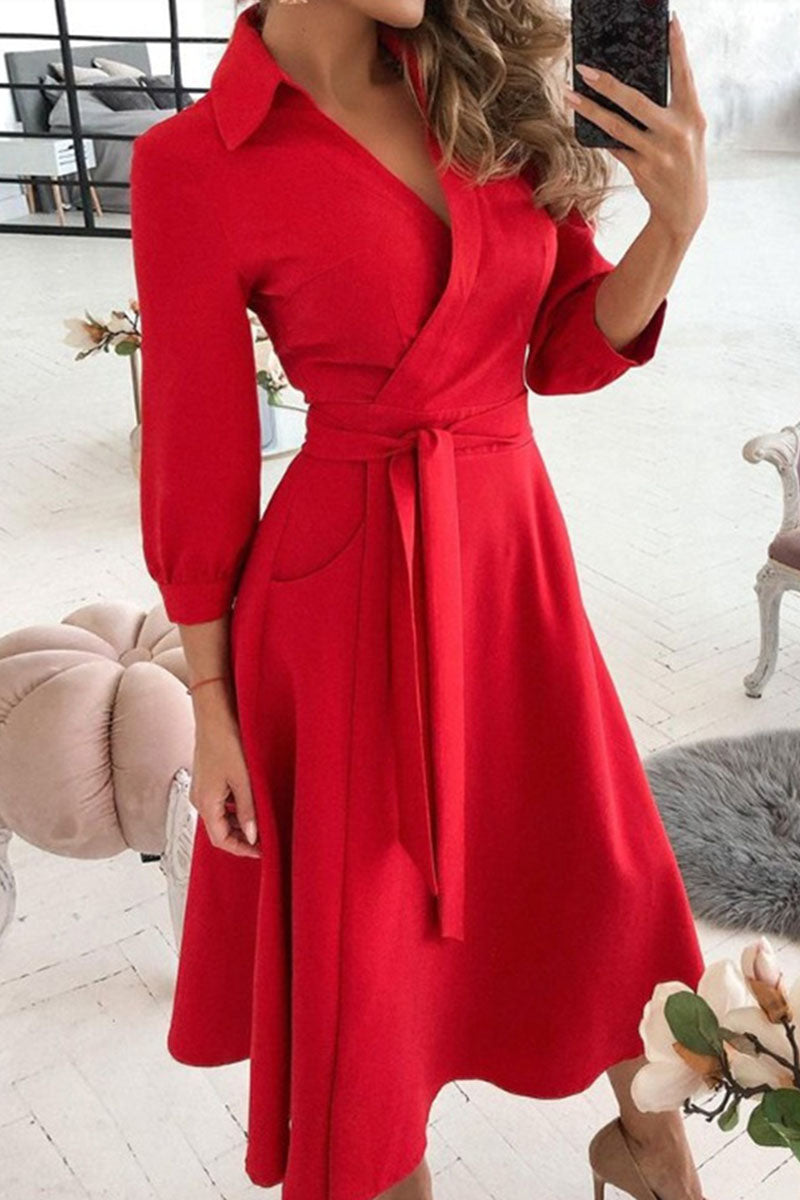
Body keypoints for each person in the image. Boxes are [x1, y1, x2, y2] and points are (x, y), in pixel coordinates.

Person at [129, 0, 709, 1197]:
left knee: (602, 874)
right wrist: (212, 703)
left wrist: (674, 227)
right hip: (342, 594)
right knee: (372, 954)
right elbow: (196, 454)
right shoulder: (193, 160)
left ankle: (648, 1147)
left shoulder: (478, 88)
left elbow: (560, 349)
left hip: (509, 560)